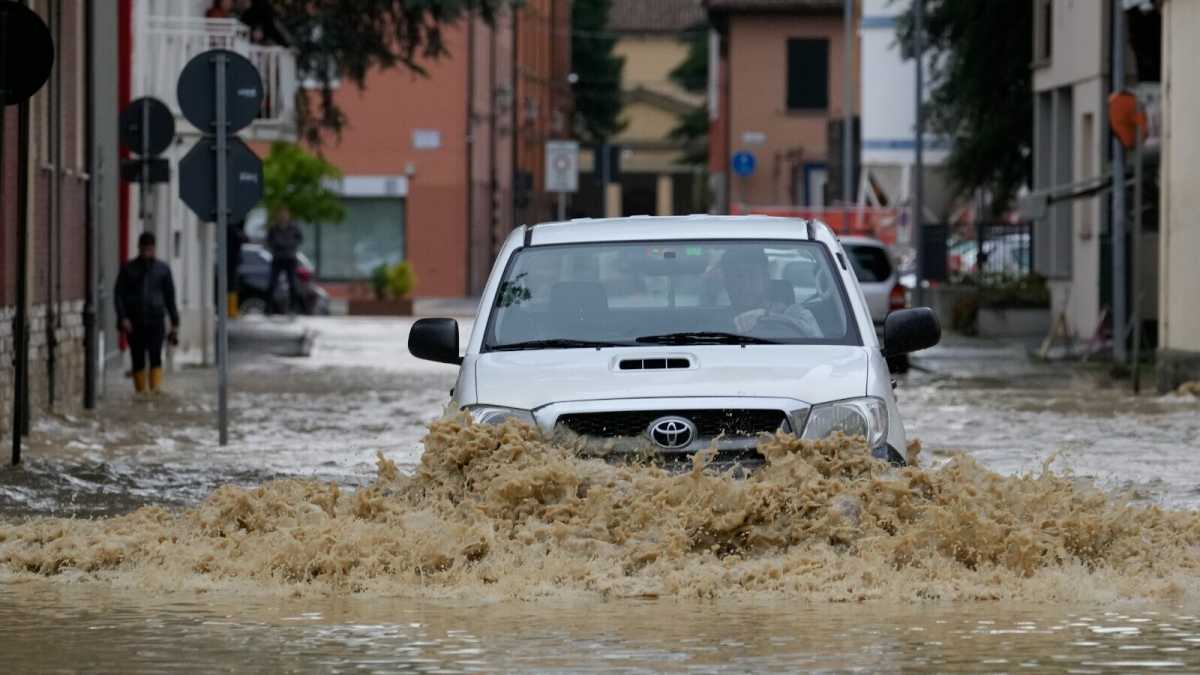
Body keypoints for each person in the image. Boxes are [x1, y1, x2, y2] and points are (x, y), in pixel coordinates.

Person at [115, 232, 180, 394]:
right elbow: (118, 295)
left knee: (156, 356)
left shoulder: (163, 270)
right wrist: (123, 318)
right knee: (137, 358)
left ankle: (155, 391)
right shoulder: (128, 269)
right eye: (144, 249)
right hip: (134, 321)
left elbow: (170, 297)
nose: (146, 253)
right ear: (139, 248)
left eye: (149, 249)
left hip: (156, 320)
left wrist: (175, 323)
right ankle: (140, 393)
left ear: (154, 249)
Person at [718, 247, 821, 338]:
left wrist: (766, 316)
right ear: (727, 283)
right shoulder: (713, 323)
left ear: (766, 278)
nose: (745, 284)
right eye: (738, 276)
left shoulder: (795, 314)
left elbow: (819, 347)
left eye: (752, 275)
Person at [266, 207, 304, 315]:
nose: (283, 216)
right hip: (278, 258)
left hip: (290, 258)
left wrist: (290, 245)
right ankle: (268, 308)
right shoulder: (274, 228)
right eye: (281, 214)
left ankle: (293, 308)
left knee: (293, 284)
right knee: (272, 283)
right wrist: (277, 245)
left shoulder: (294, 227)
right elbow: (269, 240)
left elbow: (299, 239)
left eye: (285, 214)